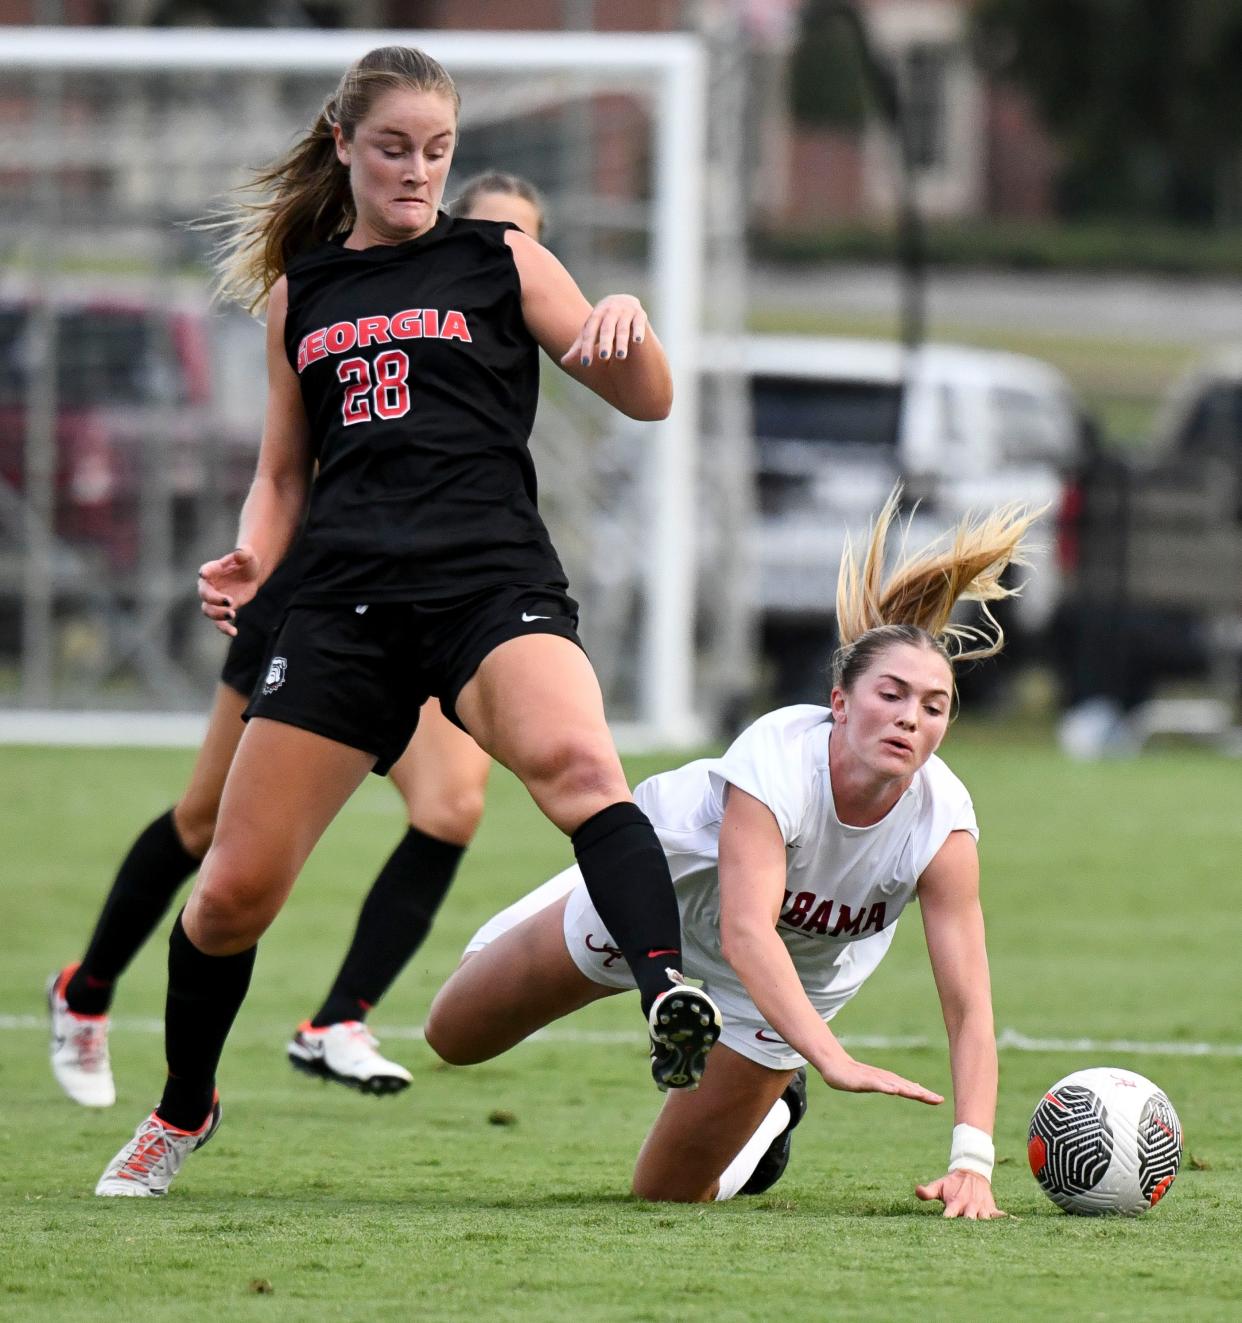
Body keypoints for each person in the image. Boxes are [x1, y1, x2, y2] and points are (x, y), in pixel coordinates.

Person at [93, 46, 719, 1198]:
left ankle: (669, 990)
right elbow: (283, 478)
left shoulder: (501, 259)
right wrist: (250, 554)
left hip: (490, 586)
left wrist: (629, 323)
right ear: (344, 145)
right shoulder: (303, 292)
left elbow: (646, 396)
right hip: (342, 608)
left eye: (437, 150)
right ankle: (183, 1109)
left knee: (582, 766)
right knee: (230, 896)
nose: (419, 170)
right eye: (394, 148)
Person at [47, 173, 552, 1108]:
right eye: (488, 232)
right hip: (319, 600)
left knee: (450, 805)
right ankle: (84, 994)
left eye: (521, 239)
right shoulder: (357, 293)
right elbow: (286, 469)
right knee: (207, 828)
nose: (499, 253)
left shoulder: (513, 314)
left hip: (439, 606)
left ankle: (335, 1020)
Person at [423, 491, 1036, 1216]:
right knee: (453, 1035)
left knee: (668, 1194)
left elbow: (969, 1006)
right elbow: (747, 928)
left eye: (933, 706)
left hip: (778, 994)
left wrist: (972, 1160)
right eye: (892, 694)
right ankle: (575, 897)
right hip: (659, 911)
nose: (910, 716)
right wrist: (831, 1057)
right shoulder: (779, 759)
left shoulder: (943, 825)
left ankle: (774, 1114)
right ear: (839, 703)